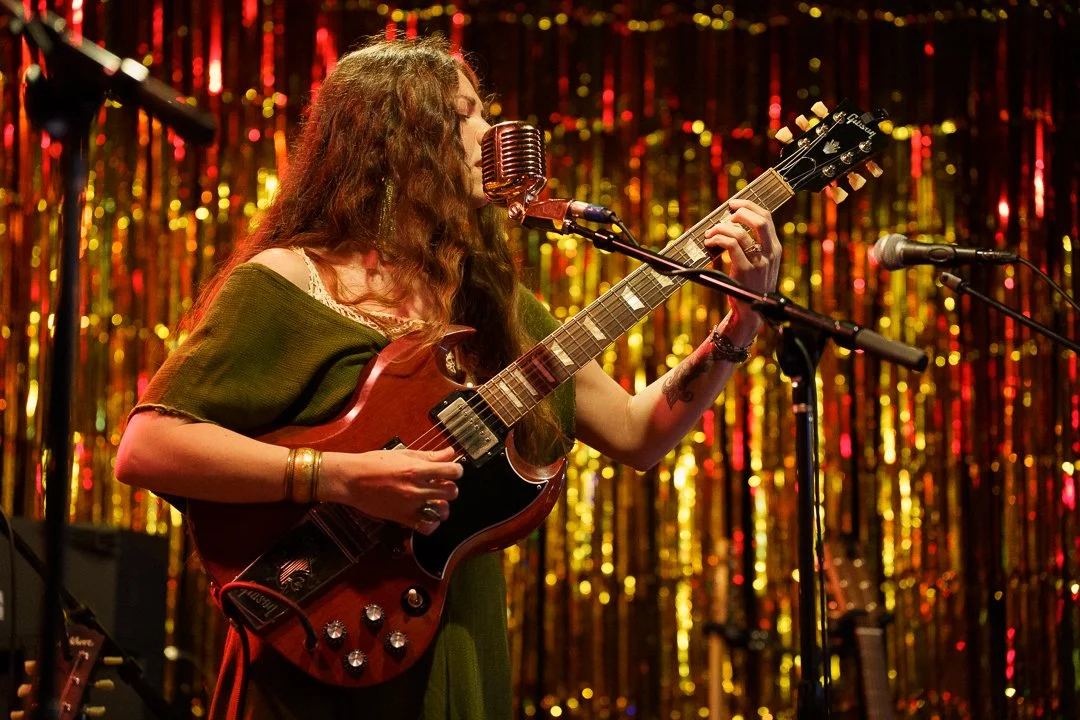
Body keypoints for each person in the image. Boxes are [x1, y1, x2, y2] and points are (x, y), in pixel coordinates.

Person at [116, 35, 782, 720]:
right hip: (315, 642)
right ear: (396, 139)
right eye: (466, 115)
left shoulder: (496, 308)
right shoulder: (290, 281)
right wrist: (338, 476)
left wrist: (740, 324)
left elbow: (638, 434)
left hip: (452, 633)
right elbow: (148, 447)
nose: (491, 135)